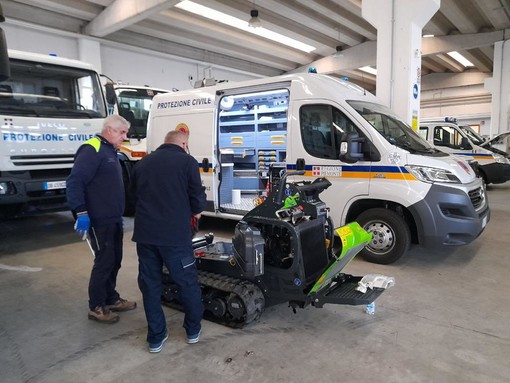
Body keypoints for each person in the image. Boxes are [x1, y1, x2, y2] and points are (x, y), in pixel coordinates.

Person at [131, 130, 206, 353]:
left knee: (150, 286)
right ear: (183, 143)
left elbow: (133, 195)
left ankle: (156, 337)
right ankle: (192, 331)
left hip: (145, 237)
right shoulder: (187, 162)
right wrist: (194, 211)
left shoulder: (142, 164)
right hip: (175, 237)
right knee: (187, 283)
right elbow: (198, 201)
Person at [66, 114, 137, 324]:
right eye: (122, 132)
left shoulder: (110, 150)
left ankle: (111, 298)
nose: (125, 136)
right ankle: (96, 306)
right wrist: (80, 212)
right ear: (110, 130)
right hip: (98, 218)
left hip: (113, 217)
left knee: (115, 260)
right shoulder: (92, 149)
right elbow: (75, 182)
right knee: (104, 261)